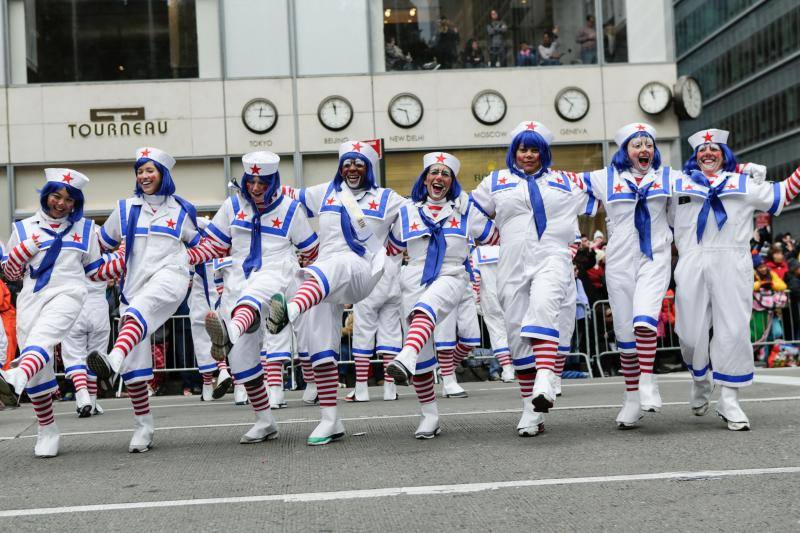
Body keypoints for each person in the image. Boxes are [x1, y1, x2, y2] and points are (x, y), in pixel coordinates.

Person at [266, 140, 406, 445]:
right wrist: (258, 180)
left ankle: (289, 310)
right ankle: (331, 420)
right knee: (321, 346)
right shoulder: (325, 192)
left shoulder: (387, 198)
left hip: (362, 272)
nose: (352, 168)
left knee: (338, 264)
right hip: (322, 279)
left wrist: (393, 248)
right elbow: (284, 197)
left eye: (359, 163)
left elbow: (415, 215)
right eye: (347, 163)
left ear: (369, 169)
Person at [470, 121, 597, 437]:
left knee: (544, 305)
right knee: (516, 332)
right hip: (511, 260)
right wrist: (492, 235)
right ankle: (531, 408)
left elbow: (605, 190)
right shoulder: (496, 180)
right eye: (523, 149)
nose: (528, 155)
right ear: (514, 151)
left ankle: (545, 376)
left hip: (552, 255)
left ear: (545, 152)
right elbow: (470, 212)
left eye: (535, 149)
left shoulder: (565, 180)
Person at [669, 128, 800, 430]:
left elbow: (783, 192)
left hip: (733, 260)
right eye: (702, 150)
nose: (708, 153)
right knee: (689, 334)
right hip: (692, 259)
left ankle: (729, 399)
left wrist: (745, 171)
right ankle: (700, 377)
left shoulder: (742, 183)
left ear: (724, 154)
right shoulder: (678, 183)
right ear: (695, 156)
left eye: (714, 149)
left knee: (734, 330)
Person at [0, 168, 123, 457]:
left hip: (70, 291)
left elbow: (94, 272)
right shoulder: (22, 228)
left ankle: (14, 378)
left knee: (42, 339)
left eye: (69, 199)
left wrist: (123, 258)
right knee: (37, 363)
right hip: (31, 296)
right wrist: (22, 252)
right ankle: (47, 427)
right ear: (46, 195)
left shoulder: (86, 229)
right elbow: (10, 273)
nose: (61, 203)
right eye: (56, 195)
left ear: (76, 203)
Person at [89, 147, 203, 453]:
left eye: (149, 170)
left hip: (171, 279)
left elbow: (202, 244)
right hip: (133, 290)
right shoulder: (124, 209)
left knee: (138, 313)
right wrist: (102, 266)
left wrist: (188, 260)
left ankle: (112, 358)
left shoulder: (181, 210)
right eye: (139, 171)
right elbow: (101, 244)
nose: (143, 176)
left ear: (163, 174)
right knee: (136, 368)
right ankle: (143, 426)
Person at [199, 152, 319, 442]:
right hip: (238, 278)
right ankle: (265, 421)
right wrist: (184, 256)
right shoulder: (231, 206)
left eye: (261, 182)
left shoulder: (291, 209)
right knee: (241, 361)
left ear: (273, 181)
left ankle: (230, 331)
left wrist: (307, 285)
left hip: (277, 272)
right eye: (250, 181)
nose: (254, 187)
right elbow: (213, 244)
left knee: (254, 295)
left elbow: (311, 249)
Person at [384, 152, 499, 438]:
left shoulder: (465, 209)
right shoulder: (408, 211)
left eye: (445, 174)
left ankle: (406, 355)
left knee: (427, 309)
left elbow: (495, 236)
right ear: (425, 179)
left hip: (451, 273)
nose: (439, 178)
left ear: (452, 181)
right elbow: (392, 249)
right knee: (423, 356)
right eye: (434, 173)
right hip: (414, 277)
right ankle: (429, 415)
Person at [576, 123, 683, 427]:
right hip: (620, 260)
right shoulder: (605, 177)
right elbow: (567, 184)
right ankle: (632, 397)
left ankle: (648, 381)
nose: (643, 149)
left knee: (645, 319)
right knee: (625, 333)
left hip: (655, 256)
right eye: (636, 145)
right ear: (625, 151)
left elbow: (703, 183)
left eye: (648, 144)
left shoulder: (668, 177)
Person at [60, 228, 113, 417]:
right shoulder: (106, 259)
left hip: (74, 307)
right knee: (95, 357)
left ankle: (82, 396)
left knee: (74, 355)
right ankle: (92, 400)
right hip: (98, 308)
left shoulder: (69, 260)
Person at [471, 244, 515, 382]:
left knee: (497, 335)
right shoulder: (508, 246)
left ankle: (508, 370)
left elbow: (475, 280)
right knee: (516, 333)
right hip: (511, 295)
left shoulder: (477, 253)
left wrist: (476, 301)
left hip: (489, 298)